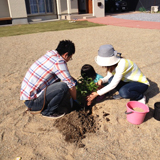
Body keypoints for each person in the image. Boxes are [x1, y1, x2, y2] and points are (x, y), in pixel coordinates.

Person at [20, 40, 76, 118]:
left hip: (27, 97)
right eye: (70, 57)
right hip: (33, 103)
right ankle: (48, 112)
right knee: (63, 87)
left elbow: (66, 76)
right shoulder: (59, 62)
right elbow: (70, 84)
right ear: (66, 55)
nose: (69, 60)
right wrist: (76, 100)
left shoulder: (51, 54)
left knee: (59, 81)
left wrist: (75, 82)